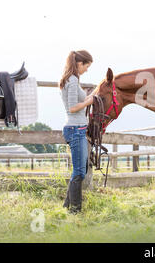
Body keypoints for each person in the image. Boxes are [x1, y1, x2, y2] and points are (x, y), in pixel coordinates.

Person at [59, 50, 94, 213]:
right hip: (75, 129)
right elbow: (73, 108)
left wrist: (91, 98)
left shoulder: (72, 79)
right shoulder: (72, 80)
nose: (87, 69)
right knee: (80, 171)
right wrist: (90, 101)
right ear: (80, 63)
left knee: (81, 169)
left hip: (77, 129)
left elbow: (78, 102)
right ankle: (75, 210)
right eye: (87, 66)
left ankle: (68, 206)